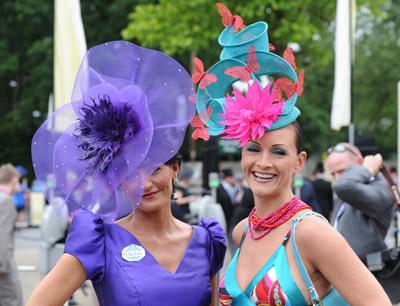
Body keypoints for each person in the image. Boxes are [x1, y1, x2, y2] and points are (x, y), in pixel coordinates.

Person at [191, 4, 391, 304]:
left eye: (279, 152)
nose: (263, 162)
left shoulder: (311, 233)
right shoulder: (243, 232)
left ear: (299, 161)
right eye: (254, 149)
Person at [26, 41, 226, 306]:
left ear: (175, 170)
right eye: (131, 173)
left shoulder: (206, 242)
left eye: (155, 169)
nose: (145, 183)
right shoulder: (99, 241)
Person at [326, 142, 399, 303]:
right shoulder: (347, 192)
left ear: (360, 162)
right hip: (344, 284)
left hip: (369, 285)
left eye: (342, 171)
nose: (338, 178)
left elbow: (344, 186)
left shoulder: (378, 189)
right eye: (333, 174)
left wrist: (367, 169)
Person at [0, 163, 23, 306]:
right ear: (13, 179)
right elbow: (2, 236)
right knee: (13, 300)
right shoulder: (5, 202)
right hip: (3, 266)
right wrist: (3, 268)